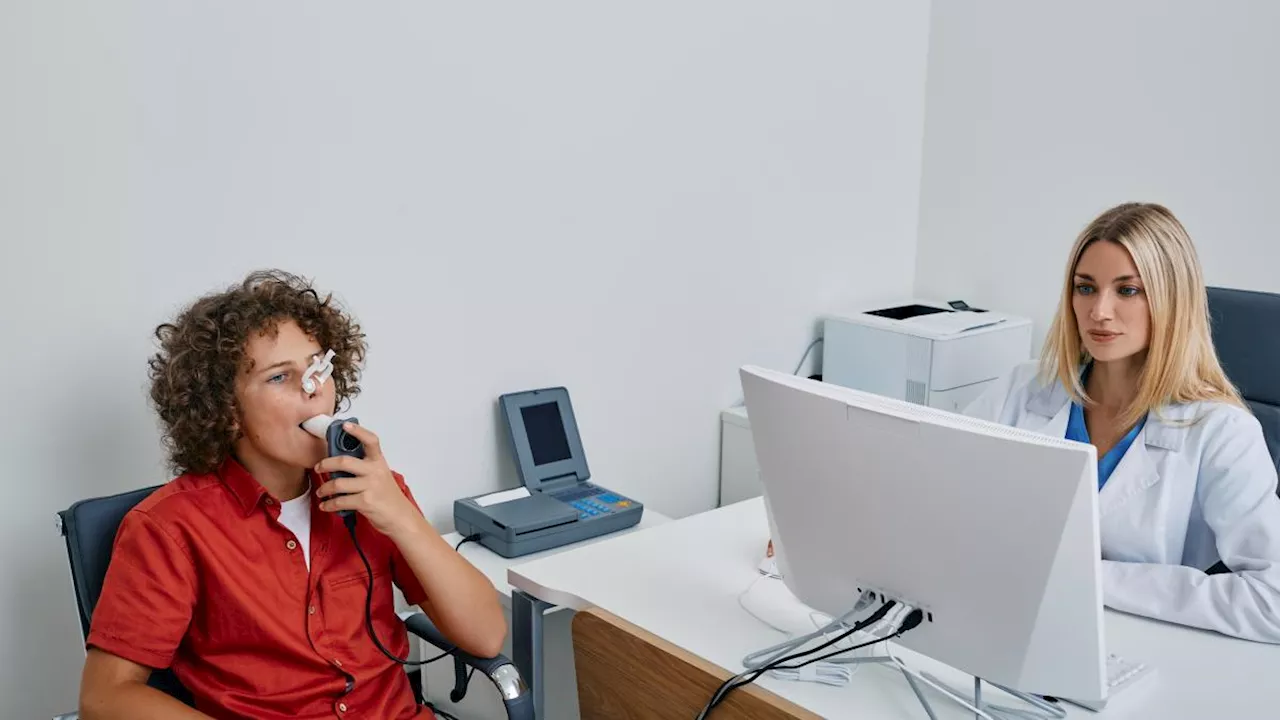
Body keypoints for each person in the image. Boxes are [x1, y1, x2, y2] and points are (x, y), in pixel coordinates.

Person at [79, 270, 506, 719]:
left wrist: (401, 517)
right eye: (281, 377)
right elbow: (104, 699)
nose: (314, 388)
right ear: (225, 411)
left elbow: (486, 637)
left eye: (319, 366)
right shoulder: (170, 528)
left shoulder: (378, 491)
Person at [965, 202, 1280, 644]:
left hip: (1145, 646)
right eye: (1086, 288)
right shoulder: (1023, 388)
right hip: (1007, 621)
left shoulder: (1222, 432)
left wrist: (1093, 579)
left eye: (1127, 291)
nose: (1099, 312)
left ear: (1172, 300)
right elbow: (939, 496)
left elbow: (1272, 601)